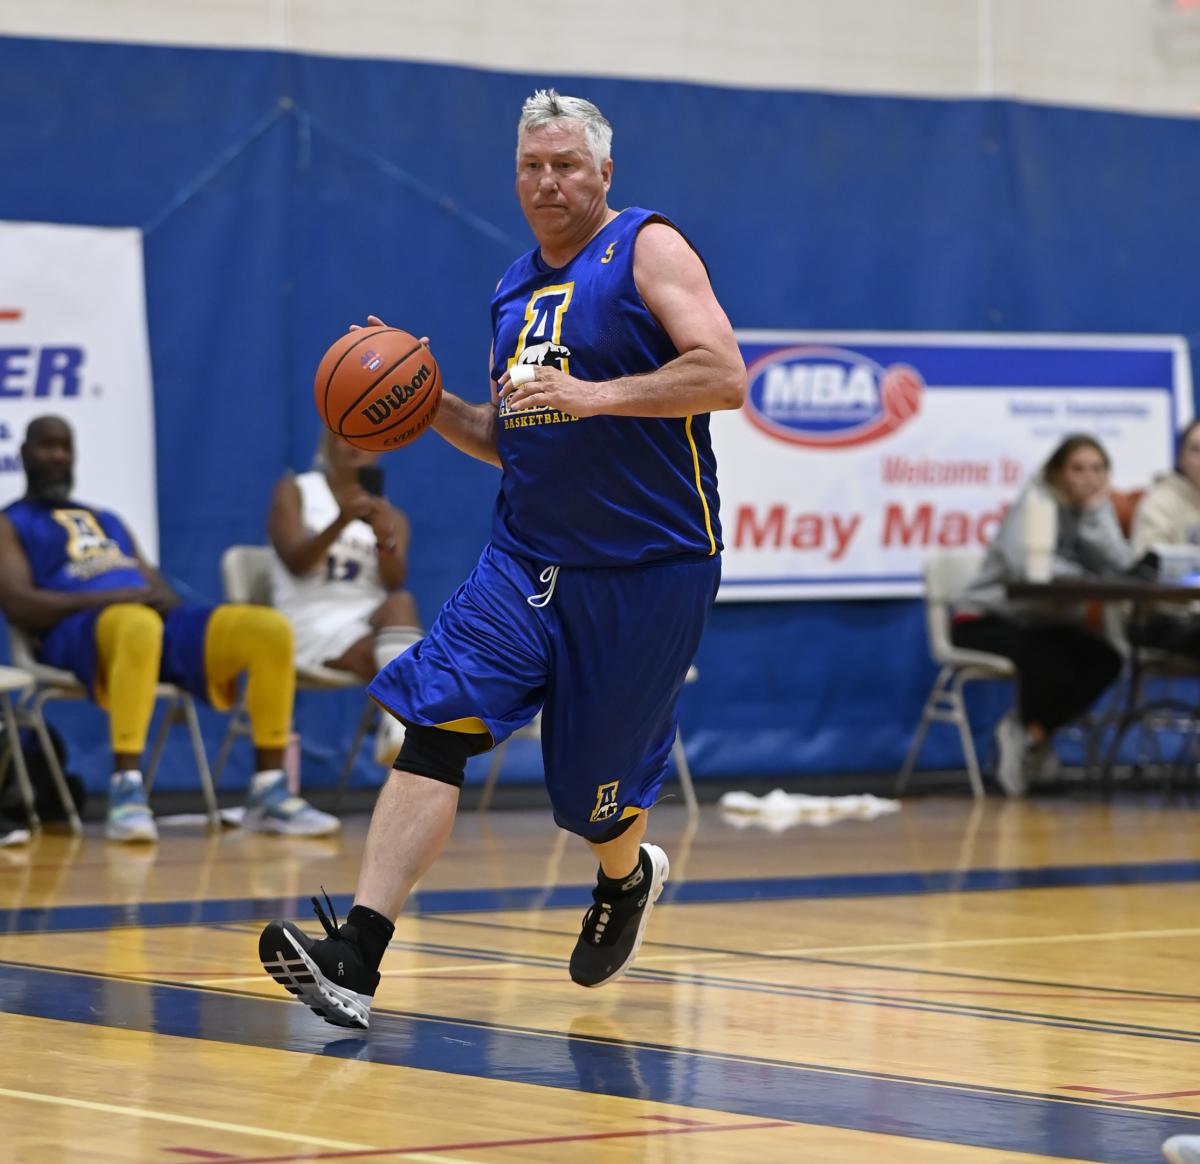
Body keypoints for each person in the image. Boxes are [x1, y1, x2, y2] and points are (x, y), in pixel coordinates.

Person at [259, 88, 746, 1028]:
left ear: (604, 172)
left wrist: (591, 394)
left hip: (648, 566)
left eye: (566, 165)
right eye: (532, 166)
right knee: (435, 723)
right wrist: (429, 403)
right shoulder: (513, 289)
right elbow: (510, 435)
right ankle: (356, 955)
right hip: (525, 559)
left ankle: (624, 874)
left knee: (593, 800)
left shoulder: (647, 246)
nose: (547, 181)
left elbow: (723, 375)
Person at [0, 415, 340, 842]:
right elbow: (19, 604)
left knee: (267, 628)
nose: (57, 455)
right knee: (136, 623)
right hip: (76, 630)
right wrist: (114, 599)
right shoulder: (11, 522)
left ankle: (269, 791)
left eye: (64, 447)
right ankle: (126, 791)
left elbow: (160, 589)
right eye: (46, 446)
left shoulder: (107, 519)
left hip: (146, 623)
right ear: (24, 454)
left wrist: (144, 595)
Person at [951, 434, 1131, 796]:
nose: (1089, 478)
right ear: (1057, 472)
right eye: (1078, 468)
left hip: (1040, 622)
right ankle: (1022, 737)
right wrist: (1083, 576)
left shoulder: (1094, 509)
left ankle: (1031, 734)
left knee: (1106, 659)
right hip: (984, 617)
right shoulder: (1034, 503)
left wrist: (1096, 513)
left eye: (1098, 469)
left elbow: (1120, 565)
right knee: (1048, 661)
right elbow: (1027, 569)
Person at [268, 431, 423, 765]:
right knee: (416, 667)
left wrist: (384, 539)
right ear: (327, 443)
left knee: (402, 603)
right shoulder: (296, 490)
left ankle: (400, 730)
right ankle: (406, 728)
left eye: (366, 439)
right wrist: (340, 521)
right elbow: (295, 562)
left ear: (379, 451)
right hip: (311, 618)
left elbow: (394, 581)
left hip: (368, 617)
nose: (354, 446)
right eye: (345, 436)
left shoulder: (391, 516)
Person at [1130, 419, 1200, 656]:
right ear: (1181, 457)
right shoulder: (1159, 502)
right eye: (1196, 449)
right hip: (1168, 615)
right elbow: (1149, 569)